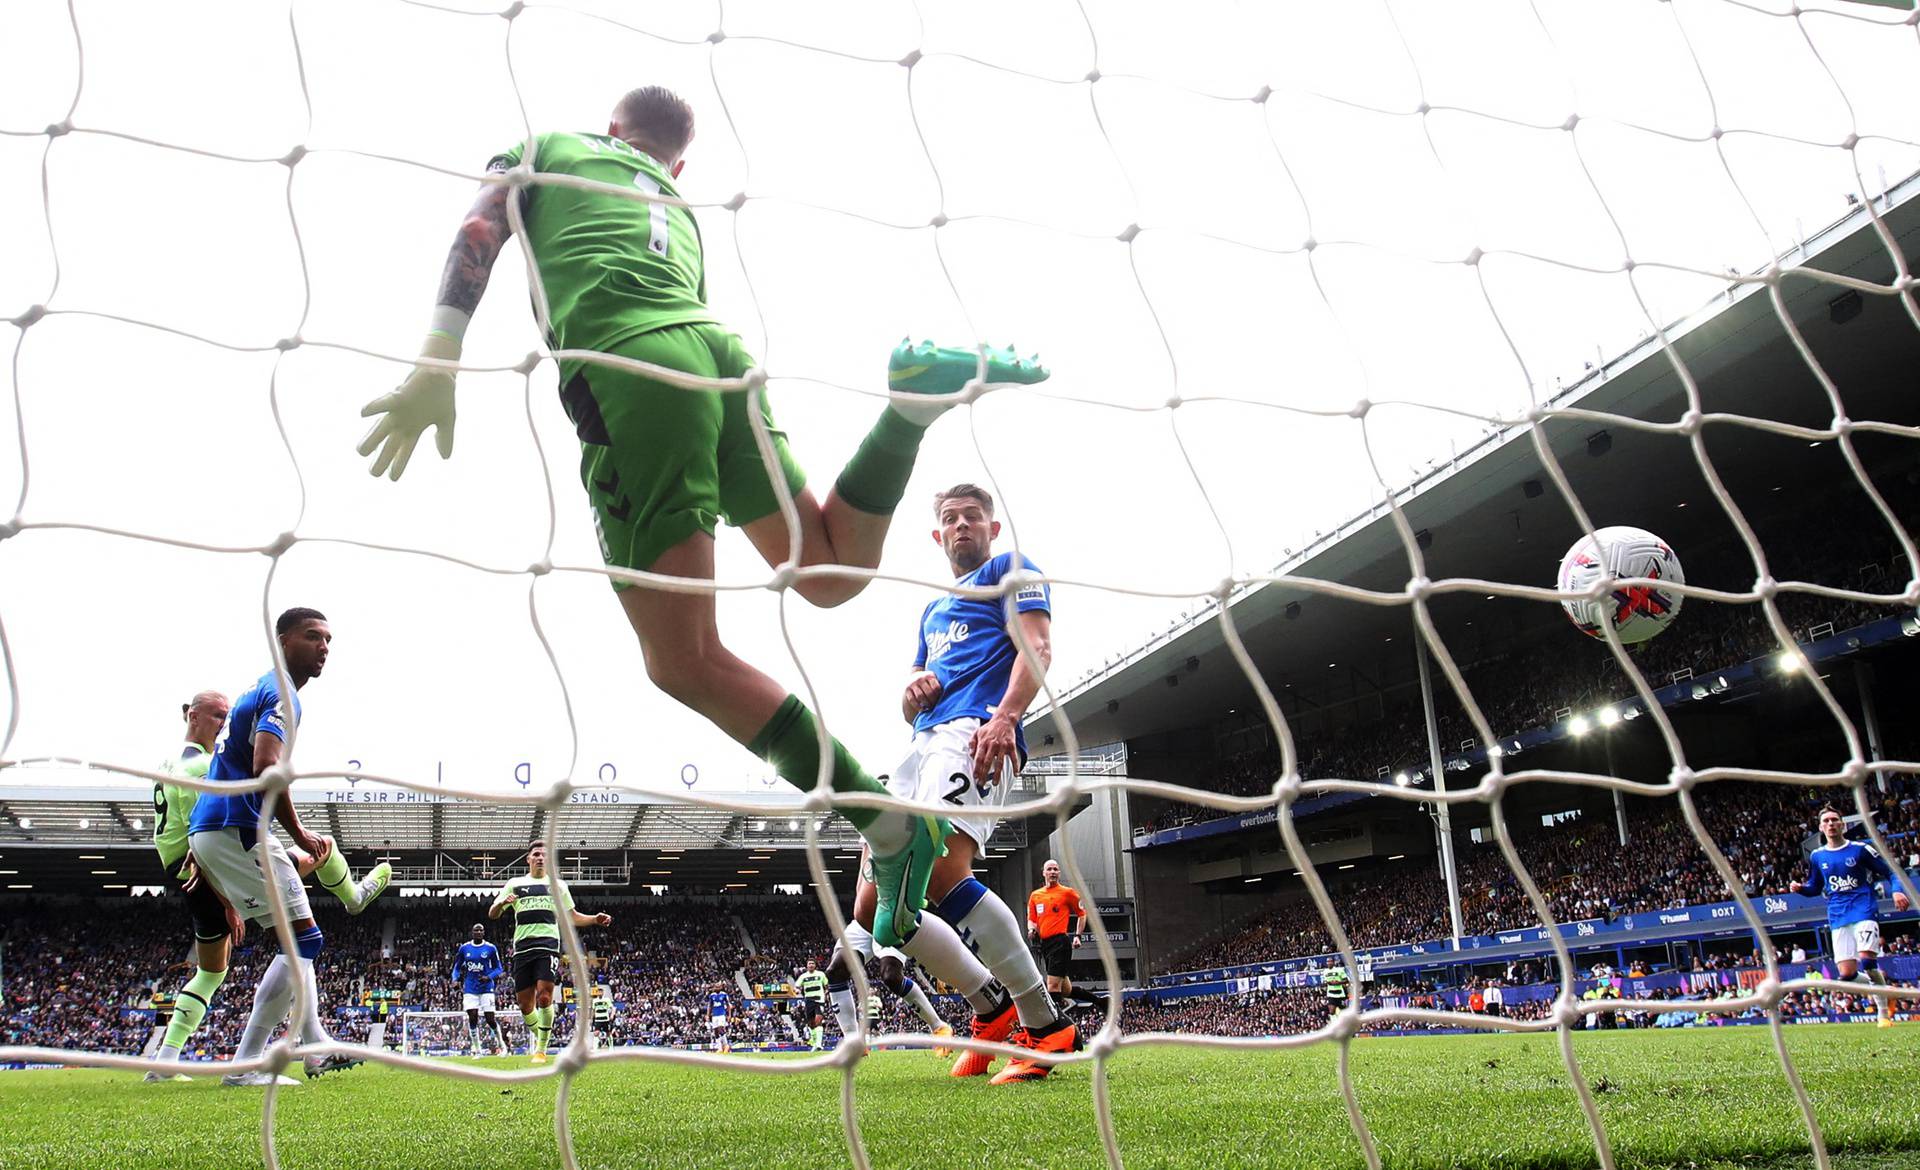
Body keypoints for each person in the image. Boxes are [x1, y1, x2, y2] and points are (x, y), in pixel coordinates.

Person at [359, 84, 1047, 955]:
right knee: (830, 571)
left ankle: (883, 822)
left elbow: (479, 228)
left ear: (613, 129)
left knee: (682, 659)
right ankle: (906, 413)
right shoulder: (678, 207)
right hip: (718, 358)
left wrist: (438, 358)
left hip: (630, 370)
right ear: (675, 161)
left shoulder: (548, 145)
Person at [185, 608, 392, 1086]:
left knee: (297, 942)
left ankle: (311, 1043)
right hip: (237, 828)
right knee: (305, 941)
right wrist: (299, 834)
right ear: (283, 641)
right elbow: (266, 766)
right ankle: (262, 1060)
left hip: (221, 829)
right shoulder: (280, 692)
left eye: (329, 640)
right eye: (312, 636)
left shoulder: (262, 688)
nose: (324, 647)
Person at [144, 691, 241, 1081]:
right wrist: (229, 899)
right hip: (197, 867)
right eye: (217, 715)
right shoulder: (202, 766)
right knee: (304, 866)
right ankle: (351, 893)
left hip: (178, 865)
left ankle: (166, 1061)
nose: (223, 722)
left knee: (212, 971)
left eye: (226, 716)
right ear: (192, 715)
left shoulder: (170, 762)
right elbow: (206, 831)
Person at [487, 841, 612, 1063]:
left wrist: (594, 919)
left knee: (544, 996)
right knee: (525, 1005)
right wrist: (502, 904)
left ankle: (541, 1050)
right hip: (523, 948)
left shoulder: (558, 885)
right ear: (528, 859)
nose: (540, 858)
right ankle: (544, 1033)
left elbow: (571, 916)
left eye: (545, 855)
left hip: (548, 945)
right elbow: (493, 914)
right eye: (536, 854)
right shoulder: (515, 884)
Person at [1789, 805, 1911, 1028]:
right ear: (1820, 827)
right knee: (1847, 976)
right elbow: (1815, 887)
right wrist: (1800, 888)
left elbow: (1891, 871)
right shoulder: (1817, 856)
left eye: (1835, 820)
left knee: (1867, 960)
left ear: (1842, 824)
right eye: (1826, 821)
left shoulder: (1860, 849)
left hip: (1863, 908)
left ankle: (1882, 1014)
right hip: (1837, 914)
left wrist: (1897, 890)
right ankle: (1887, 991)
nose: (1831, 824)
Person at [823, 921, 954, 1054]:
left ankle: (938, 1027)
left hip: (893, 919)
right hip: (864, 921)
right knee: (835, 972)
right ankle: (854, 1041)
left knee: (891, 977)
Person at [1027, 858, 1086, 1000]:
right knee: (1065, 990)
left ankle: (1057, 1021)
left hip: (1060, 942)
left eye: (1055, 869)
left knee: (1052, 986)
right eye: (1049, 869)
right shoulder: (1035, 895)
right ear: (1043, 873)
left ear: (1059, 873)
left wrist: (1078, 936)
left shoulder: (1068, 893)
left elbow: (1082, 914)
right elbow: (1032, 919)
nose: (1052, 872)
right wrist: (1031, 930)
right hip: (1045, 944)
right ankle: (1099, 1001)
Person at [453, 922, 506, 1057]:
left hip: (487, 988)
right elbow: (457, 967)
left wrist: (489, 977)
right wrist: (455, 979)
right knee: (473, 1017)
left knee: (490, 1019)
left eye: (480, 930)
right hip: (470, 988)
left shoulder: (490, 948)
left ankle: (502, 1046)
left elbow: (499, 968)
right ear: (472, 932)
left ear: (484, 932)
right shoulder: (465, 948)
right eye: (476, 930)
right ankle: (477, 1050)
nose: (478, 932)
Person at [793, 957, 830, 1050]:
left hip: (819, 1000)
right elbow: (796, 986)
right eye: (809, 964)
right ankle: (814, 1042)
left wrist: (826, 994)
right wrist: (797, 990)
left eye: (812, 963)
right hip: (809, 1001)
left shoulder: (821, 974)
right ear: (807, 966)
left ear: (815, 965)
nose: (811, 965)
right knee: (811, 1023)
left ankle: (818, 1044)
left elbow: (826, 986)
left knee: (818, 1020)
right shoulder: (803, 976)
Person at [589, 984, 615, 1050]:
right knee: (596, 1033)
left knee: (608, 1033)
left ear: (603, 993)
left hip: (605, 1019)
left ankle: (611, 1047)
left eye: (601, 992)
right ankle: (595, 1048)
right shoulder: (595, 1001)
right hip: (598, 1020)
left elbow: (613, 1008)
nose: (600, 993)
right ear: (597, 993)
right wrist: (592, 1019)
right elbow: (593, 1010)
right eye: (599, 992)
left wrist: (612, 1015)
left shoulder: (607, 1000)